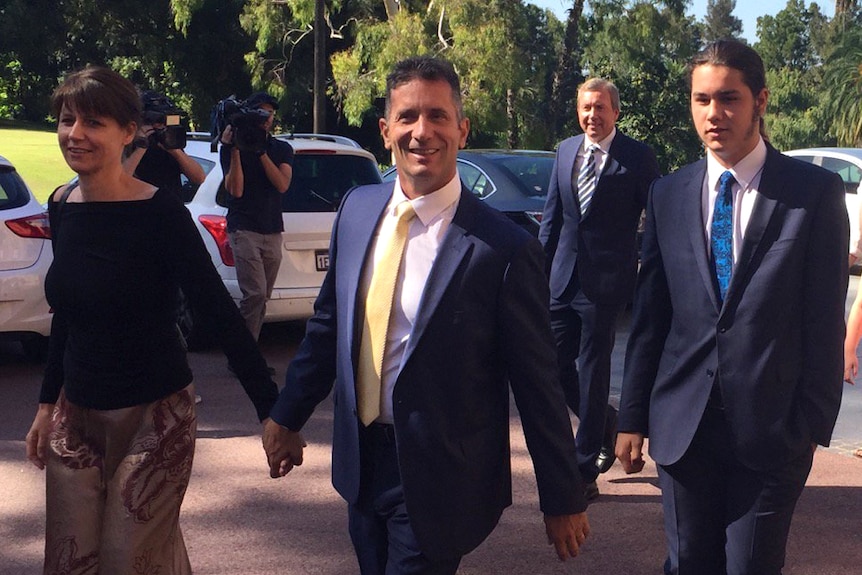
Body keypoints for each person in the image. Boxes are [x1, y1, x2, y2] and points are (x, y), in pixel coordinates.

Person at [262, 55, 590, 574]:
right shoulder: (357, 211)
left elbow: (537, 382)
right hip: (361, 465)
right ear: (385, 129)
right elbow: (328, 328)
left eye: (438, 116)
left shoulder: (504, 248)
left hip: (443, 477)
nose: (423, 132)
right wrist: (286, 415)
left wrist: (561, 495)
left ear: (461, 128)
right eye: (409, 116)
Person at [24, 66, 279, 574]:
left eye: (93, 122)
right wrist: (45, 402)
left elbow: (216, 307)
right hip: (77, 415)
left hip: (154, 416)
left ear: (127, 132)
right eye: (66, 120)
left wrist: (271, 410)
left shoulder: (160, 212)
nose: (75, 134)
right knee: (71, 560)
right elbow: (69, 316)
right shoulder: (61, 205)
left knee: (129, 561)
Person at [615, 39, 848, 575]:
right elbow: (651, 317)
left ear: (760, 101)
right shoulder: (667, 194)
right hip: (683, 426)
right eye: (701, 100)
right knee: (688, 562)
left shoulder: (813, 193)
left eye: (728, 98)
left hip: (771, 432)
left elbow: (822, 316)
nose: (713, 114)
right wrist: (631, 416)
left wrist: (812, 426)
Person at [538, 77, 660, 499]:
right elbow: (552, 220)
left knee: (592, 374)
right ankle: (607, 425)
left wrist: (648, 271)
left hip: (606, 287)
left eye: (600, 108)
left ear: (615, 112)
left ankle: (583, 469)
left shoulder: (638, 158)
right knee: (551, 367)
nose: (592, 115)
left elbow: (656, 222)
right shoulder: (565, 151)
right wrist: (536, 275)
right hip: (561, 280)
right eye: (586, 107)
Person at [219, 91, 293, 341]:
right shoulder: (231, 147)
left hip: (272, 229)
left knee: (263, 296)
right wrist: (236, 150)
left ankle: (244, 348)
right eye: (262, 112)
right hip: (244, 229)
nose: (267, 118)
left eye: (271, 113)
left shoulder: (281, 149)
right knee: (255, 294)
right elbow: (235, 190)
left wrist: (261, 152)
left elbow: (282, 184)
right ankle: (245, 354)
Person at [123, 90, 206, 202]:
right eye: (158, 120)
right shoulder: (128, 142)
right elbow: (121, 179)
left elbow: (199, 178)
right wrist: (141, 145)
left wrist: (174, 150)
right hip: (140, 210)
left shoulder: (167, 142)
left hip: (171, 210)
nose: (162, 125)